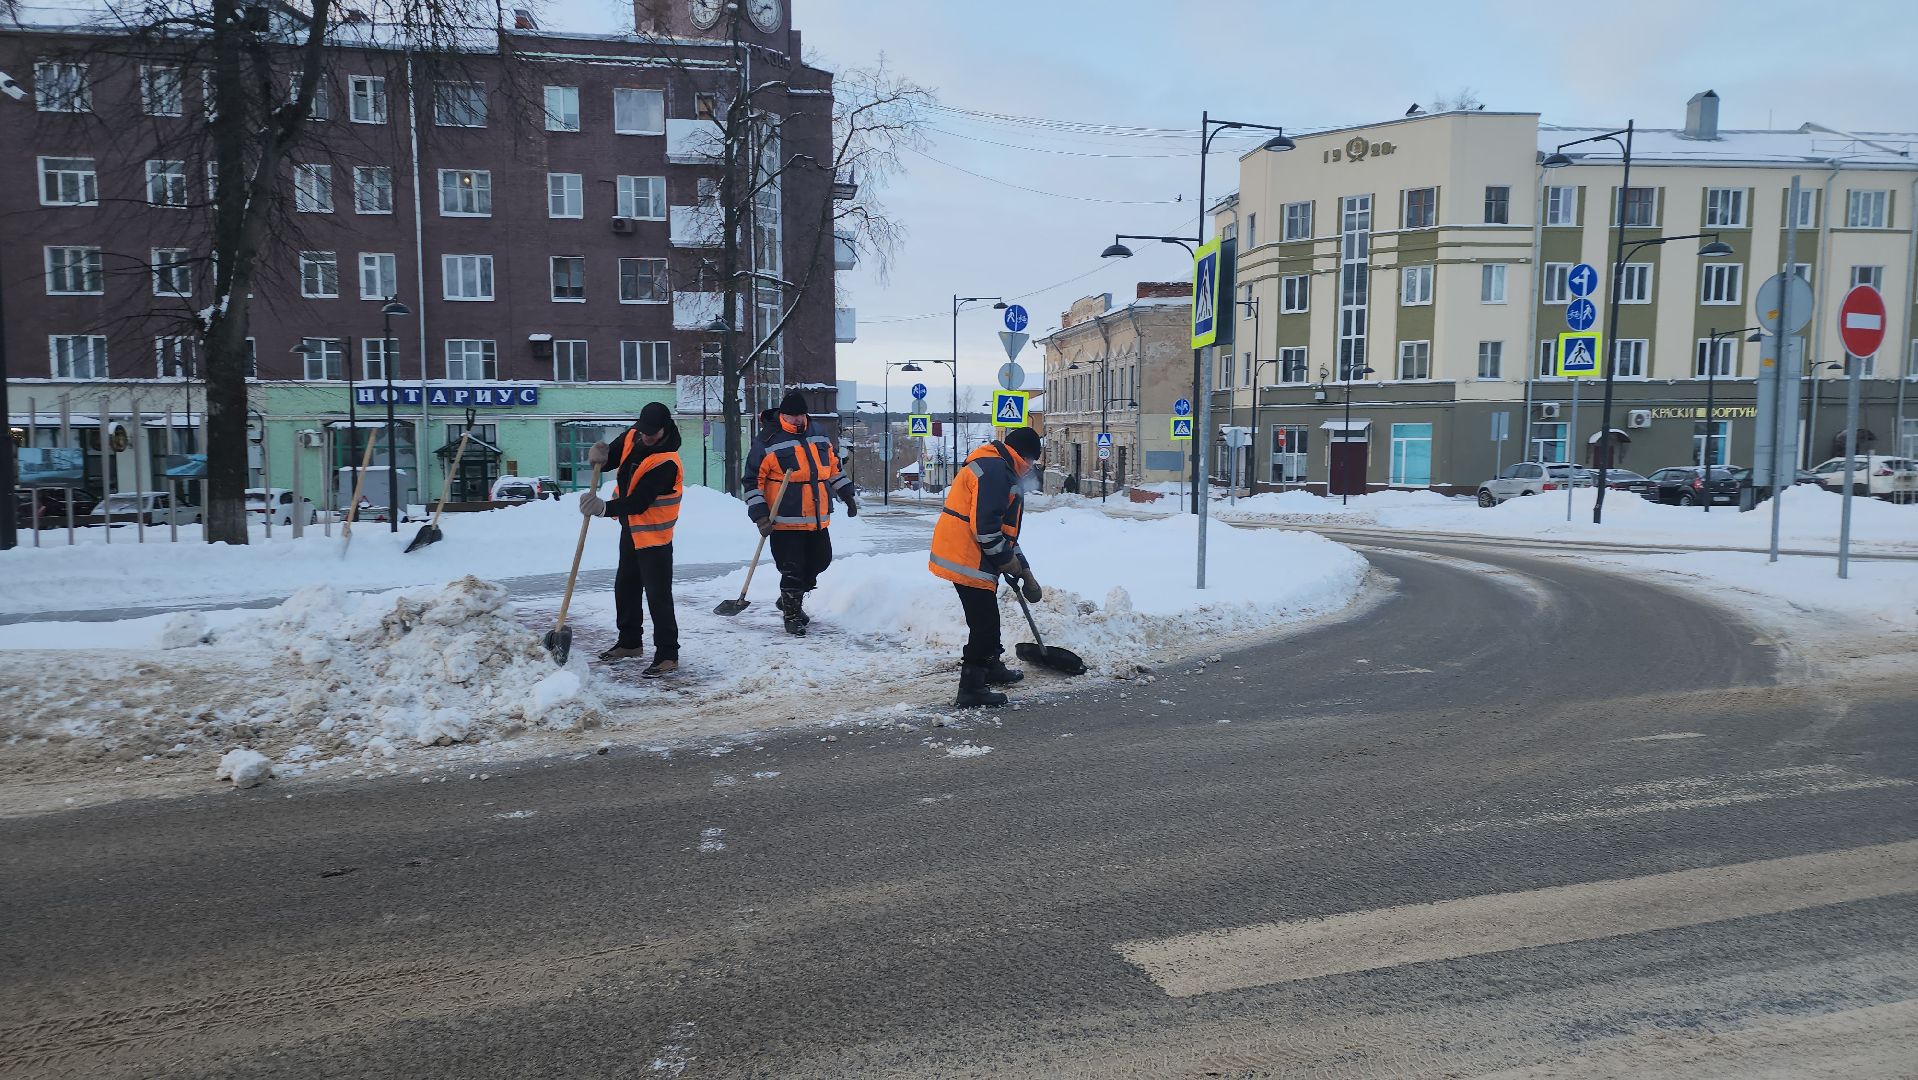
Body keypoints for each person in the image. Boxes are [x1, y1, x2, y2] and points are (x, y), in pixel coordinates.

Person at [927, 426, 1043, 708]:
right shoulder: (994, 472)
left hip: (973, 553)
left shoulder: (1001, 467)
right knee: (984, 624)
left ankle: (991, 667)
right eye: (1031, 462)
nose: (1031, 469)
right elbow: (986, 529)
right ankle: (971, 687)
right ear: (1023, 456)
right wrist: (1006, 561)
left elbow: (1004, 530)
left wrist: (1023, 570)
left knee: (988, 618)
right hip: (966, 557)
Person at [744, 390, 857, 636]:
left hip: (817, 517)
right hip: (784, 520)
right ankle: (792, 615)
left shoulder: (817, 433)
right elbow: (753, 482)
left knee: (821, 560)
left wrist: (847, 495)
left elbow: (833, 469)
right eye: (791, 416)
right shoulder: (768, 440)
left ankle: (788, 599)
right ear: (782, 414)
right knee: (792, 569)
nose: (796, 420)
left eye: (800, 415)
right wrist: (761, 516)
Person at [582, 401, 682, 677]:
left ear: (665, 429)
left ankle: (667, 654)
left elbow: (638, 501)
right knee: (625, 586)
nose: (646, 436)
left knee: (657, 595)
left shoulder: (667, 462)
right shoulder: (633, 435)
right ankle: (629, 642)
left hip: (654, 536)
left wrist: (604, 508)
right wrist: (599, 456)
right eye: (643, 431)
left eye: (652, 433)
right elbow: (611, 458)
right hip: (631, 530)